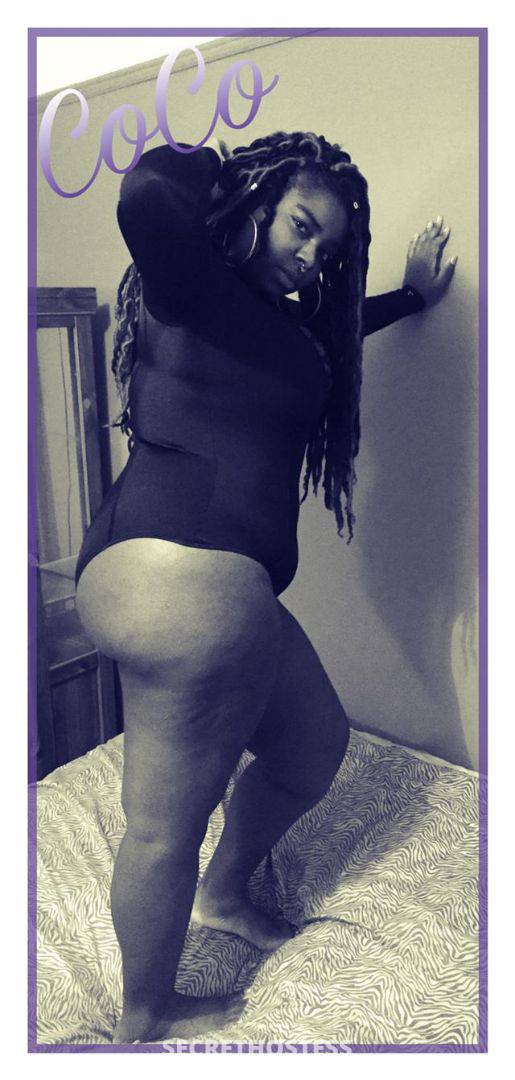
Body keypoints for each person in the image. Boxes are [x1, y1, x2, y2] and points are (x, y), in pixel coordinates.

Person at [74, 130, 457, 1044]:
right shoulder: (193, 286)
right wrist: (220, 174)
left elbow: (335, 332)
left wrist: (411, 295)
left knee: (311, 747)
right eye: (299, 225)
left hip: (220, 592)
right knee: (162, 825)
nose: (312, 256)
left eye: (328, 246)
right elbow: (147, 194)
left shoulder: (275, 324)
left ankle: (222, 893)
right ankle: (144, 1020)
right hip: (175, 578)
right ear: (251, 207)